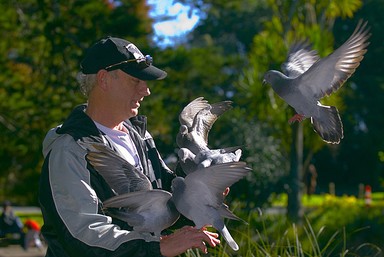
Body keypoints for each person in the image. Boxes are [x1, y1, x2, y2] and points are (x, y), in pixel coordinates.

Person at [38, 37, 220, 257]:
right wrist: (156, 248)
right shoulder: (69, 150)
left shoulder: (139, 136)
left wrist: (202, 187)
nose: (146, 91)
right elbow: (83, 234)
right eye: (136, 80)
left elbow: (165, 204)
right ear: (104, 79)